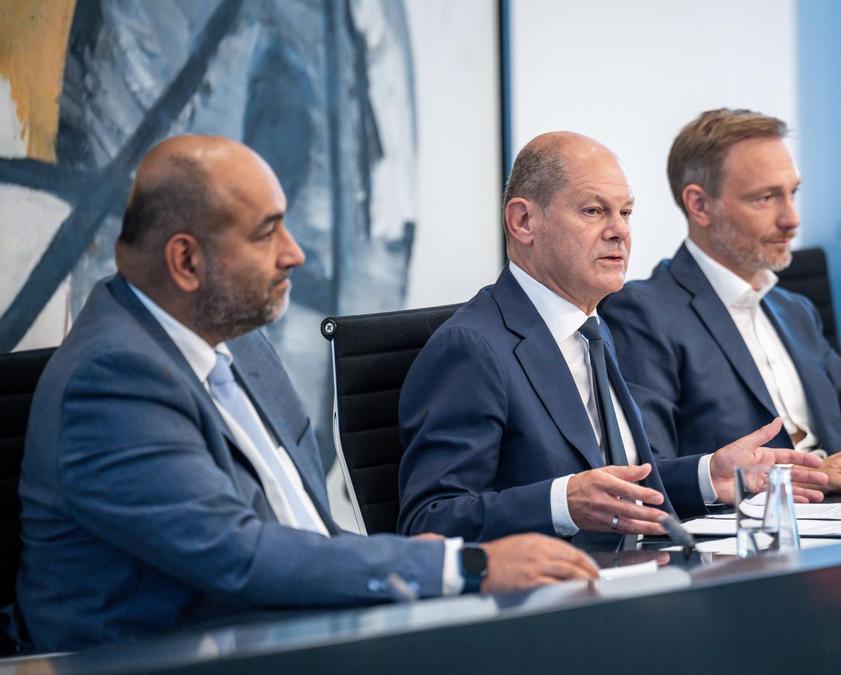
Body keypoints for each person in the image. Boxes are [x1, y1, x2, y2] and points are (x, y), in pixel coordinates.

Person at [17, 135, 596, 653]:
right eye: (267, 232)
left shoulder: (240, 344)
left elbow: (308, 532)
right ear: (186, 261)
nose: (294, 253)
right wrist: (466, 566)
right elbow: (240, 555)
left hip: (291, 634)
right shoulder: (112, 380)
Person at [396, 131, 826, 546]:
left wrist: (708, 474)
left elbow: (615, 488)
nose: (619, 230)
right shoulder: (473, 348)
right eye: (593, 211)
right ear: (523, 221)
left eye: (625, 212)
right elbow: (428, 520)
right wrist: (560, 503)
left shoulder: (595, 332)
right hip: (553, 603)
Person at [601, 109, 841, 493]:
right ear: (700, 205)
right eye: (766, 198)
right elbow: (648, 469)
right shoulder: (643, 311)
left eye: (792, 193)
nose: (791, 219)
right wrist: (792, 477)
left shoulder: (794, 309)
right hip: (747, 539)